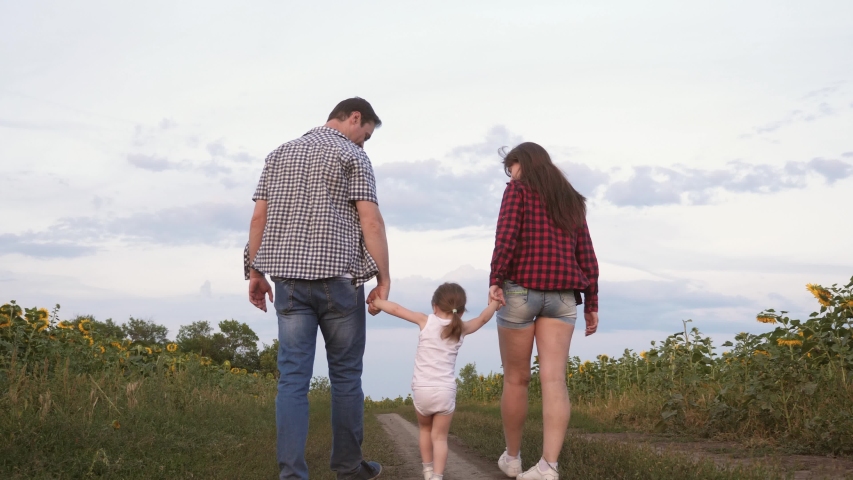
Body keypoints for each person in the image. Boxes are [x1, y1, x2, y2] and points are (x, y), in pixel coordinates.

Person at [244, 97, 390, 480]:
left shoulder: (279, 154)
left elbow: (260, 216)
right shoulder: (353, 156)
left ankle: (292, 475)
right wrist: (383, 278)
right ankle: (348, 468)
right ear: (354, 117)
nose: (363, 143)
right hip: (339, 282)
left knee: (293, 378)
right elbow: (370, 221)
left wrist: (254, 271)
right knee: (345, 376)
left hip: (289, 284)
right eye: (366, 135)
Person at [488, 142, 599, 480]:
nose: (512, 174)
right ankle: (548, 467)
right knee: (554, 380)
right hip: (564, 297)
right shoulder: (572, 199)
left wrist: (496, 280)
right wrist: (592, 302)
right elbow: (587, 254)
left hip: (520, 290)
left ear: (522, 163)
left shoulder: (517, 191)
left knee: (516, 379)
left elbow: (506, 237)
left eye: (512, 168)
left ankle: (513, 458)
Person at [370, 283, 500, 480]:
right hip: (445, 391)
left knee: (424, 430)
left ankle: (427, 470)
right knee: (440, 438)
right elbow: (482, 319)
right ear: (462, 310)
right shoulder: (461, 328)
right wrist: (495, 304)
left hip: (422, 389)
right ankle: (437, 477)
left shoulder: (426, 321)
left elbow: (396, 309)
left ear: (434, 306)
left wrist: (377, 302)